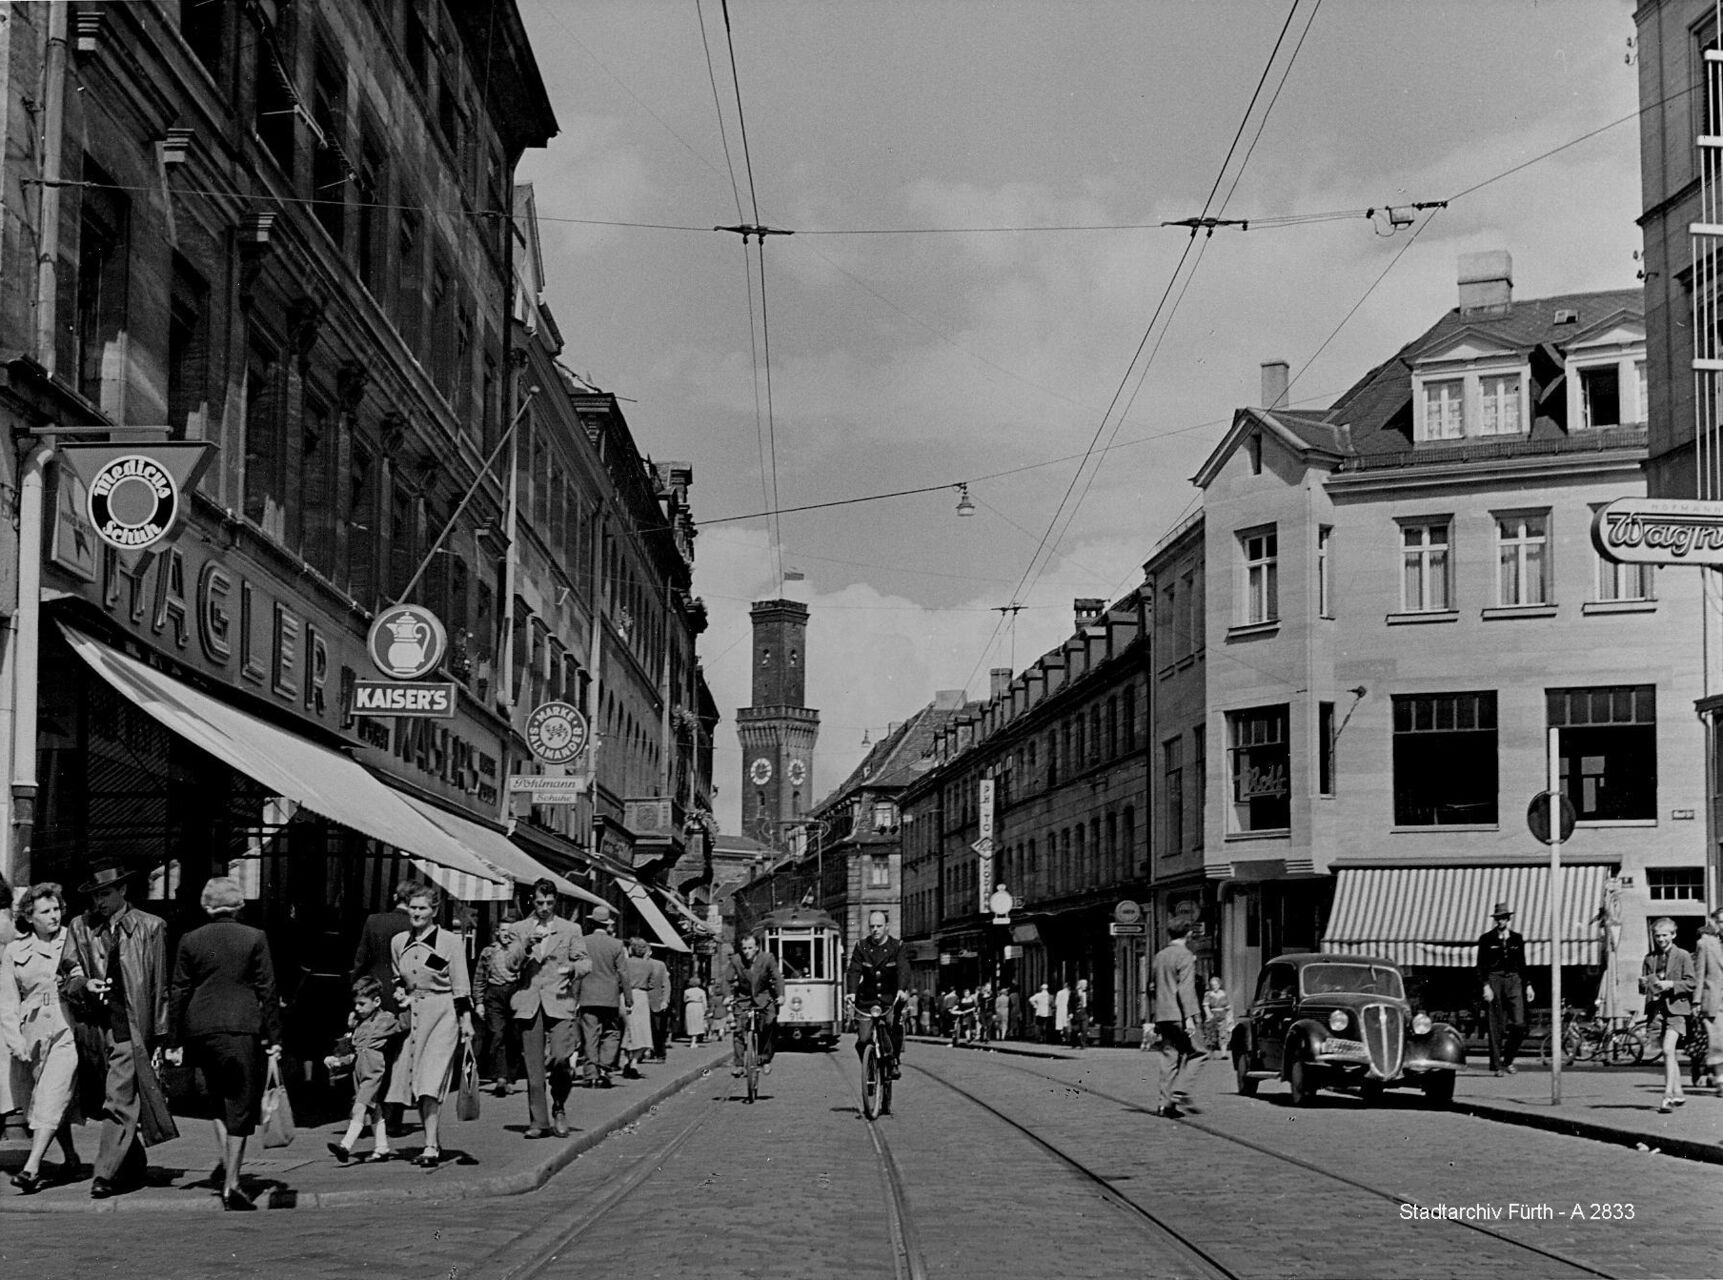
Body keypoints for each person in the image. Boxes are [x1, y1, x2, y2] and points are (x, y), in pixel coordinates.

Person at [167, 876, 283, 1211]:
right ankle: (232, 1183)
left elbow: (179, 991)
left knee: (217, 1101)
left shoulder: (190, 939)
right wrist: (274, 1037)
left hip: (201, 1028)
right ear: (238, 904)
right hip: (241, 1027)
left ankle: (227, 1166)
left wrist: (174, 1039)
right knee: (240, 1104)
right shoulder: (255, 937)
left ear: (207, 905)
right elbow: (267, 990)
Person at [65, 858, 178, 1199]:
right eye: (95, 895)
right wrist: (84, 984)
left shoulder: (151, 927)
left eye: (106, 894)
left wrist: (160, 1038)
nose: (99, 902)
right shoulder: (80, 927)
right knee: (114, 1100)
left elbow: (159, 987)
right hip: (93, 1030)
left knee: (118, 1098)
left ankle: (104, 1174)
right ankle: (132, 1165)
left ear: (123, 890)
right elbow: (68, 974)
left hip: (130, 1027)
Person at [1, 882, 84, 1193]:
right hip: (32, 1032)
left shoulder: (74, 941)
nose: (54, 915)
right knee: (49, 1097)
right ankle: (72, 1159)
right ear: (29, 916)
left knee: (52, 1094)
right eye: (45, 911)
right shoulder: (15, 950)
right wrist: (15, 1040)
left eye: (56, 909)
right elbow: (7, 1001)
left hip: (66, 1027)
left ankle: (31, 1168)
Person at [386, 880, 475, 1167]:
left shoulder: (449, 942)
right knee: (415, 1082)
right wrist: (400, 992)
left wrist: (466, 1021)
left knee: (430, 1081)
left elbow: (460, 985)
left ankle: (430, 1146)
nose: (416, 913)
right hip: (413, 1017)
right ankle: (431, 1140)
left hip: (442, 1015)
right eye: (413, 907)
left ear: (434, 911)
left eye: (422, 908)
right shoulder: (398, 941)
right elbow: (398, 977)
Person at [505, 880, 589, 1138]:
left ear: (556, 902)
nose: (544, 907)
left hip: (560, 1000)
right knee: (534, 1067)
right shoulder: (519, 929)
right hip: (529, 1001)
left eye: (549, 903)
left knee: (562, 1058)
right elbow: (510, 963)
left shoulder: (570, 929)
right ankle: (538, 1122)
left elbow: (585, 962)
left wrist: (573, 969)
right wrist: (525, 944)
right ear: (532, 900)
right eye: (540, 902)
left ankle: (559, 1105)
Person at [327, 975, 403, 1164]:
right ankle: (382, 1148)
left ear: (376, 1002)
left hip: (373, 1073)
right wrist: (339, 1061)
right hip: (359, 1074)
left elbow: (403, 1024)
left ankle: (345, 1145)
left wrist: (406, 1003)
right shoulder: (359, 1025)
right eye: (356, 1004)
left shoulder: (386, 1019)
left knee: (359, 1107)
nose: (357, 1008)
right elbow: (354, 1054)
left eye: (362, 1004)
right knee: (374, 1110)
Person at [845, 910, 910, 1084]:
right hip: (867, 999)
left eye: (879, 926)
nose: (875, 929)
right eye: (872, 926)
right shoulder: (862, 946)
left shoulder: (897, 946)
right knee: (863, 1039)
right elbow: (854, 970)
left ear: (886, 926)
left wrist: (901, 989)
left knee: (893, 1026)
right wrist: (851, 992)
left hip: (890, 998)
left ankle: (893, 1060)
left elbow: (903, 969)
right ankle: (869, 1068)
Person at [1641, 915, 1696, 1114]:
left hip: (1677, 1009)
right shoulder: (1649, 958)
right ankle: (1678, 1093)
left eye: (1664, 935)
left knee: (1667, 1050)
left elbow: (1691, 983)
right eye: (1657, 936)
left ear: (1673, 935)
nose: (1661, 939)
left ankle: (1667, 1096)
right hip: (1657, 1011)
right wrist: (1644, 984)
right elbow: (1644, 988)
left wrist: (1671, 984)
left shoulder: (1683, 955)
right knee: (1669, 1053)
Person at [575, 904, 632, 1088]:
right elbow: (623, 973)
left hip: (587, 996)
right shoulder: (616, 944)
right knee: (612, 1032)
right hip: (610, 997)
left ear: (592, 923)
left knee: (590, 1035)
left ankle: (590, 1074)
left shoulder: (583, 942)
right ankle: (605, 1067)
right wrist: (628, 998)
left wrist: (574, 997)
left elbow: (577, 971)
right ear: (608, 924)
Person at [1151, 920, 1204, 1118]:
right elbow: (1185, 989)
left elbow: (1151, 987)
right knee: (1199, 1053)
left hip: (1163, 1015)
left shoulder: (1160, 956)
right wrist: (1189, 1017)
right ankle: (1180, 1091)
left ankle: (1164, 1105)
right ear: (1188, 934)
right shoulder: (1185, 955)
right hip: (1180, 1015)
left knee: (1169, 1057)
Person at [1477, 902, 1534, 1077]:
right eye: (1499, 918)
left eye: (1504, 918)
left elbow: (1522, 963)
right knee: (1495, 1024)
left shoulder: (1517, 938)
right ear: (1495, 920)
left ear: (1509, 919)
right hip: (1494, 979)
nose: (1501, 921)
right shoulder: (1486, 939)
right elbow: (1481, 965)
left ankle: (1508, 1059)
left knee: (1519, 1023)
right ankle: (1496, 1066)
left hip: (1514, 979)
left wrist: (1528, 985)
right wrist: (1486, 985)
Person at [475, 910, 525, 1097]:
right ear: (497, 931)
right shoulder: (488, 952)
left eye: (510, 931)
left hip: (516, 994)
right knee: (497, 1034)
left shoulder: (520, 952)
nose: (506, 934)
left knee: (514, 1037)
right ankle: (501, 1077)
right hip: (494, 994)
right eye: (503, 930)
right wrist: (479, 1002)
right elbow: (479, 978)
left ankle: (511, 1076)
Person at [727, 933, 784, 1077]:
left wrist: (781, 995)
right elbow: (726, 980)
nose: (746, 951)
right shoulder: (736, 960)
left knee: (769, 1023)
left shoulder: (767, 958)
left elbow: (777, 977)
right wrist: (727, 996)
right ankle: (739, 1064)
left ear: (757, 947)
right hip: (743, 998)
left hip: (764, 997)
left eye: (750, 948)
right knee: (738, 1029)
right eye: (744, 948)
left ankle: (765, 1059)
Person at [351, 882, 414, 1012]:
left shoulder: (373, 920)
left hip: (374, 990)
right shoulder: (417, 926)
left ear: (395, 897)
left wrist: (355, 987)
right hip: (405, 994)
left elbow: (360, 961)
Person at [1693, 908, 1723, 1090]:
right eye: (1722, 922)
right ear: (1715, 924)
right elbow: (1699, 974)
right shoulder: (1705, 944)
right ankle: (1720, 1079)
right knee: (1718, 1041)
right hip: (1715, 1000)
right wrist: (1696, 1001)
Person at [620, 938, 656, 1080]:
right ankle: (634, 1063)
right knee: (641, 1030)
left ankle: (624, 1060)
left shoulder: (625, 963)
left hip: (625, 995)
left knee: (627, 1028)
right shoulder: (649, 965)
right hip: (641, 996)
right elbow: (651, 984)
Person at [647, 949, 672, 1063]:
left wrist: (665, 1000)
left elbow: (666, 984)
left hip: (656, 1002)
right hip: (640, 1001)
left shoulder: (659, 965)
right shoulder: (633, 963)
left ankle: (660, 1053)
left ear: (650, 952)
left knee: (657, 1030)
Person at [1202, 976, 1233, 1058]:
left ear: (1219, 985)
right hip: (1212, 1015)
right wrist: (1209, 1015)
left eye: (1215, 985)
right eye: (1212, 985)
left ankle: (1224, 1054)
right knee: (1211, 1035)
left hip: (1222, 1015)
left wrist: (1229, 1016)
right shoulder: (1208, 994)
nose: (1214, 986)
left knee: (1223, 1034)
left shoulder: (1224, 993)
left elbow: (1227, 1006)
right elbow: (1205, 1005)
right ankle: (1210, 1054)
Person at [684, 976, 708, 1044]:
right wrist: (705, 1009)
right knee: (697, 1022)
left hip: (690, 1006)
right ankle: (694, 1039)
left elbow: (684, 1000)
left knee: (690, 1022)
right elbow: (704, 1001)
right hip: (698, 1006)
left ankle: (692, 1038)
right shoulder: (701, 991)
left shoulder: (687, 991)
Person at [1069, 979, 1090, 1049]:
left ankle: (1083, 1044)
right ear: (1080, 985)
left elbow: (1090, 1004)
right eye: (1085, 984)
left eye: (1086, 984)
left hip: (1084, 1012)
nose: (1086, 986)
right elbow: (1070, 1003)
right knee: (1075, 1029)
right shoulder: (1074, 993)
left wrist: (1091, 1015)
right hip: (1076, 1012)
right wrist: (1070, 1013)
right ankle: (1074, 1043)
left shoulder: (1087, 993)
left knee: (1084, 1029)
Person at [1054, 980, 1071, 1045]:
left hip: (1059, 1010)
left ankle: (1059, 1040)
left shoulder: (1059, 992)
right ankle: (1067, 1039)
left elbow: (1056, 1003)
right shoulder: (1069, 993)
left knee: (1059, 1025)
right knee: (1066, 1025)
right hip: (1066, 1010)